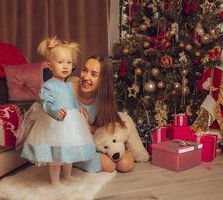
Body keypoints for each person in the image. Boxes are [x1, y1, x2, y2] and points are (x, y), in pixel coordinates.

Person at [19, 37, 96, 186]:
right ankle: (55, 180)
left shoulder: (69, 85)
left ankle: (67, 175)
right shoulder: (49, 85)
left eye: (69, 62)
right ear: (50, 65)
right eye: (60, 62)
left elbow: (72, 100)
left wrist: (79, 108)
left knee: (68, 152)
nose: (65, 66)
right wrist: (54, 111)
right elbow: (46, 103)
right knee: (56, 155)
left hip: (70, 121)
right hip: (54, 123)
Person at [71, 55, 136, 173]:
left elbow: (102, 129)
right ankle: (71, 162)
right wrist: (87, 127)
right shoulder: (67, 91)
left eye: (94, 74)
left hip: (92, 141)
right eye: (84, 70)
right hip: (71, 143)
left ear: (103, 81)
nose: (85, 77)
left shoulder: (102, 98)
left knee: (126, 164)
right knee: (108, 165)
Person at [192, 45, 223, 147]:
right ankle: (215, 143)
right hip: (218, 105)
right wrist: (207, 86)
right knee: (216, 124)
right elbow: (201, 84)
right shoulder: (215, 70)